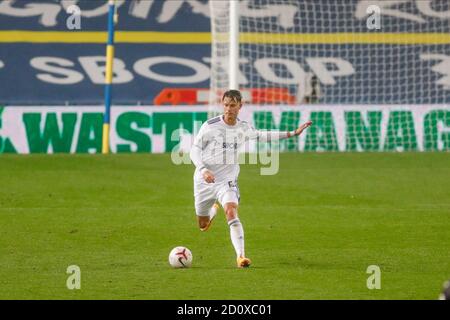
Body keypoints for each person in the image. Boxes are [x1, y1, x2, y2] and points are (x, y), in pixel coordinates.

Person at [189, 89, 312, 268]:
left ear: (240, 106)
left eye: (232, 105)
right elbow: (194, 150)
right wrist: (203, 169)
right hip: (204, 180)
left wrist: (293, 133)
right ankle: (212, 212)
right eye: (225, 105)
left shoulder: (243, 128)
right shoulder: (210, 125)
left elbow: (263, 135)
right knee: (202, 224)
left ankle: (241, 256)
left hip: (227, 181)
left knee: (231, 211)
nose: (228, 109)